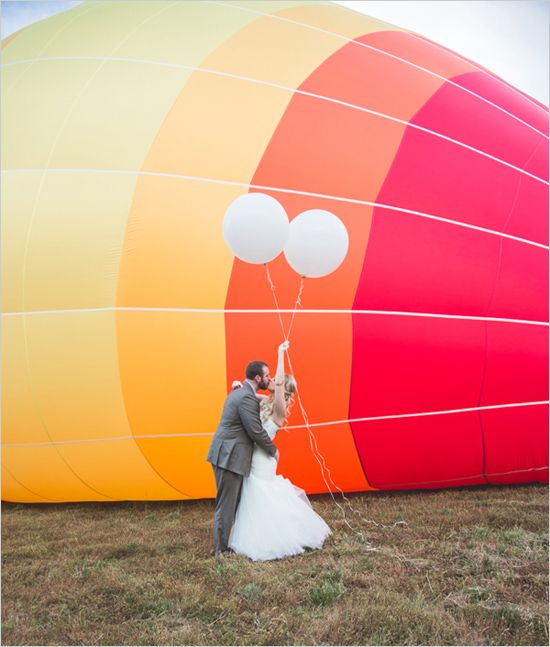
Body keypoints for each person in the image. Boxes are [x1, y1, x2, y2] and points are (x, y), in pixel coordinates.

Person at [228, 341, 331, 561]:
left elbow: (279, 382)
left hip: (263, 459)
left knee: (259, 492)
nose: (272, 381)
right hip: (258, 454)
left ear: (284, 389)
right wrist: (238, 386)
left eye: (276, 380)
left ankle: (270, 535)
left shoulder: (279, 408)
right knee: (255, 492)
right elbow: (249, 395)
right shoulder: (266, 400)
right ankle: (262, 528)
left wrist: (280, 354)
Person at [206, 358, 279, 556]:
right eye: (266, 375)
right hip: (229, 456)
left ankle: (228, 542)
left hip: (228, 454)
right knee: (227, 503)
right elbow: (255, 430)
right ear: (257, 378)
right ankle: (221, 550)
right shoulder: (245, 397)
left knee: (233, 502)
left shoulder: (243, 393)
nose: (269, 378)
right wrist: (273, 450)